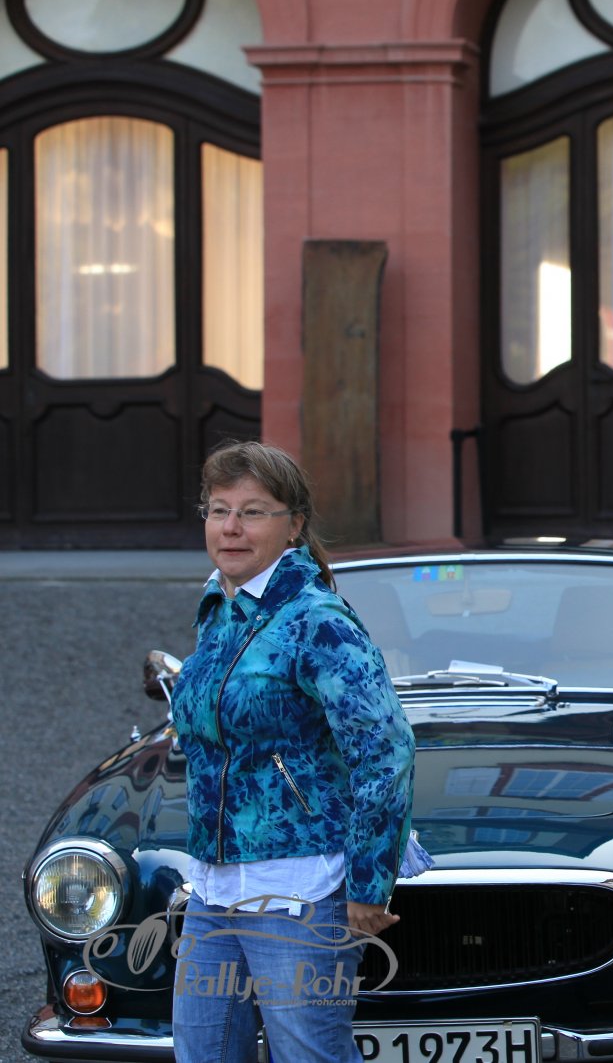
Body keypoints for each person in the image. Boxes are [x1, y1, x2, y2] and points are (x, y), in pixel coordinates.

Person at [169, 441, 415, 1063]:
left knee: (308, 1054)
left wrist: (369, 884)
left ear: (294, 525)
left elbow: (385, 752)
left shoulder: (317, 619)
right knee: (202, 1052)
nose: (231, 527)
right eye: (219, 510)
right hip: (214, 886)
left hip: (299, 888)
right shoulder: (219, 610)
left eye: (253, 512)